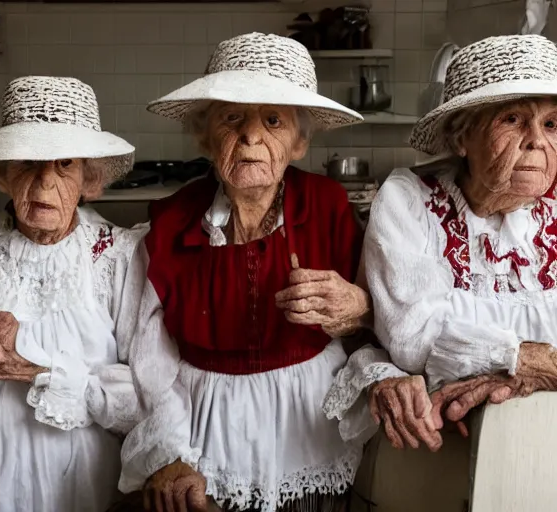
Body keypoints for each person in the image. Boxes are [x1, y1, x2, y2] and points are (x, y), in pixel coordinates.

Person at [115, 32, 376, 512]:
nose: (251, 136)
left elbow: (382, 322)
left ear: (299, 142)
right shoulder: (172, 221)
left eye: (272, 120)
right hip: (204, 429)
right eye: (232, 117)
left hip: (309, 424)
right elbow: (149, 355)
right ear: (205, 135)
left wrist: (357, 307)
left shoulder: (329, 206)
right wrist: (169, 450)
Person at [0, 76, 147, 512]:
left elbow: (138, 398)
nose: (44, 181)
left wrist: (31, 364)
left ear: (89, 177)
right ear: (4, 172)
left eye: (64, 163)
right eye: (28, 161)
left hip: (76, 478)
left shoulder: (116, 255)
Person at [326, 34, 557, 453]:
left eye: (551, 124)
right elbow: (414, 335)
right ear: (460, 137)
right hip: (439, 445)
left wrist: (538, 367)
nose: (537, 141)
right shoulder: (409, 200)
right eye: (512, 119)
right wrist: (520, 357)